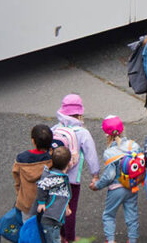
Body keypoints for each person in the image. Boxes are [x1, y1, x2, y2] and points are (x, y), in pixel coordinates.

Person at [52, 94, 100, 243]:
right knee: (70, 210)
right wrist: (95, 174)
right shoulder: (82, 132)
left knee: (57, 206)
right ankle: (69, 239)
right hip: (72, 180)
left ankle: (59, 237)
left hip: (54, 175)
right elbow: (91, 154)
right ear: (79, 113)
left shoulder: (54, 128)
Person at [91, 116, 141, 243]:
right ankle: (132, 240)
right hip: (132, 186)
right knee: (132, 216)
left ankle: (111, 240)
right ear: (123, 129)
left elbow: (109, 176)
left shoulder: (109, 152)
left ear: (106, 134)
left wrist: (97, 185)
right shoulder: (134, 146)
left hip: (116, 189)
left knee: (109, 215)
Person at [13, 124, 53, 221]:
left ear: (33, 141)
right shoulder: (51, 160)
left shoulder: (21, 158)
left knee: (28, 229)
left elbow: (16, 177)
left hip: (26, 202)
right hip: (46, 203)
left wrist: (19, 193)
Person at [36, 147, 72, 243]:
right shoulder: (56, 178)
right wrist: (41, 203)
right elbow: (42, 185)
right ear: (68, 163)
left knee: (55, 238)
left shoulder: (60, 176)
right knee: (53, 240)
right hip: (50, 218)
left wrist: (66, 208)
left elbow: (64, 194)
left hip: (55, 218)